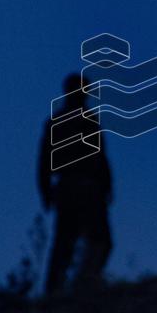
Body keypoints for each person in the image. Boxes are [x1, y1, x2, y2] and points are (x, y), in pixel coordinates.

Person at [38, 73, 113, 294]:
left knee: (71, 243)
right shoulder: (81, 121)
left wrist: (46, 191)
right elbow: (45, 161)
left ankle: (76, 286)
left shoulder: (71, 121)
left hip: (76, 188)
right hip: (80, 188)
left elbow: (100, 156)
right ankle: (75, 286)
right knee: (88, 241)